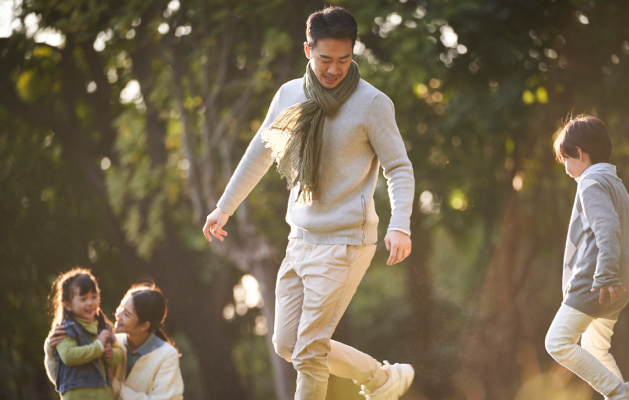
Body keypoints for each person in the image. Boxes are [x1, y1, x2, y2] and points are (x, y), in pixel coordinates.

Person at [202, 6, 415, 400]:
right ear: (307, 50)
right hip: (300, 240)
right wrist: (224, 206)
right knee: (286, 344)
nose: (334, 69)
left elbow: (399, 168)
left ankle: (379, 380)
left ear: (353, 53)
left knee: (310, 351)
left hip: (346, 242)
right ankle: (381, 379)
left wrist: (399, 222)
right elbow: (260, 153)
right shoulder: (289, 95)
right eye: (325, 60)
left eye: (344, 59)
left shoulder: (372, 103)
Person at [545, 115, 629, 400]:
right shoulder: (619, 187)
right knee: (596, 349)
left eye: (565, 158)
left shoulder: (590, 182)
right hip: (616, 286)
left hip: (596, 283)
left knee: (557, 342)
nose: (565, 168)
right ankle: (624, 397)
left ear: (580, 152)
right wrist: (616, 275)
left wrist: (605, 275)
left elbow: (608, 229)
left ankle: (619, 393)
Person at [45, 281, 184, 400]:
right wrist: (51, 351)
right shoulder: (110, 344)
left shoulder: (166, 355)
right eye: (121, 307)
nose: (118, 314)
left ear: (144, 325)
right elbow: (69, 381)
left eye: (126, 314)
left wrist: (117, 387)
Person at [45, 268, 123, 399]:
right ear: (68, 305)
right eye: (83, 299)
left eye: (94, 297)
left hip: (104, 394)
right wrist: (98, 346)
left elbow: (118, 353)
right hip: (78, 395)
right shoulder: (65, 329)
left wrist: (111, 355)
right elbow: (68, 356)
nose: (91, 303)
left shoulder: (104, 327)